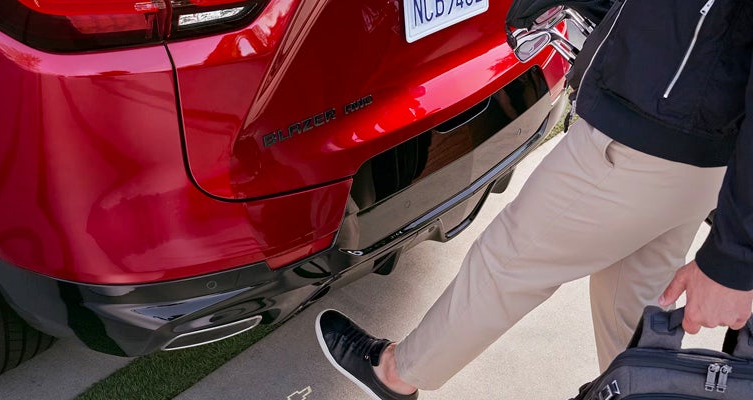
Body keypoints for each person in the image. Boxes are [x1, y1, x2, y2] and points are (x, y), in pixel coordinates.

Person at [315, 0, 753, 399]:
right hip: (692, 144)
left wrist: (734, 261)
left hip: (645, 137)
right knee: (632, 301)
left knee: (510, 258)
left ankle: (395, 372)